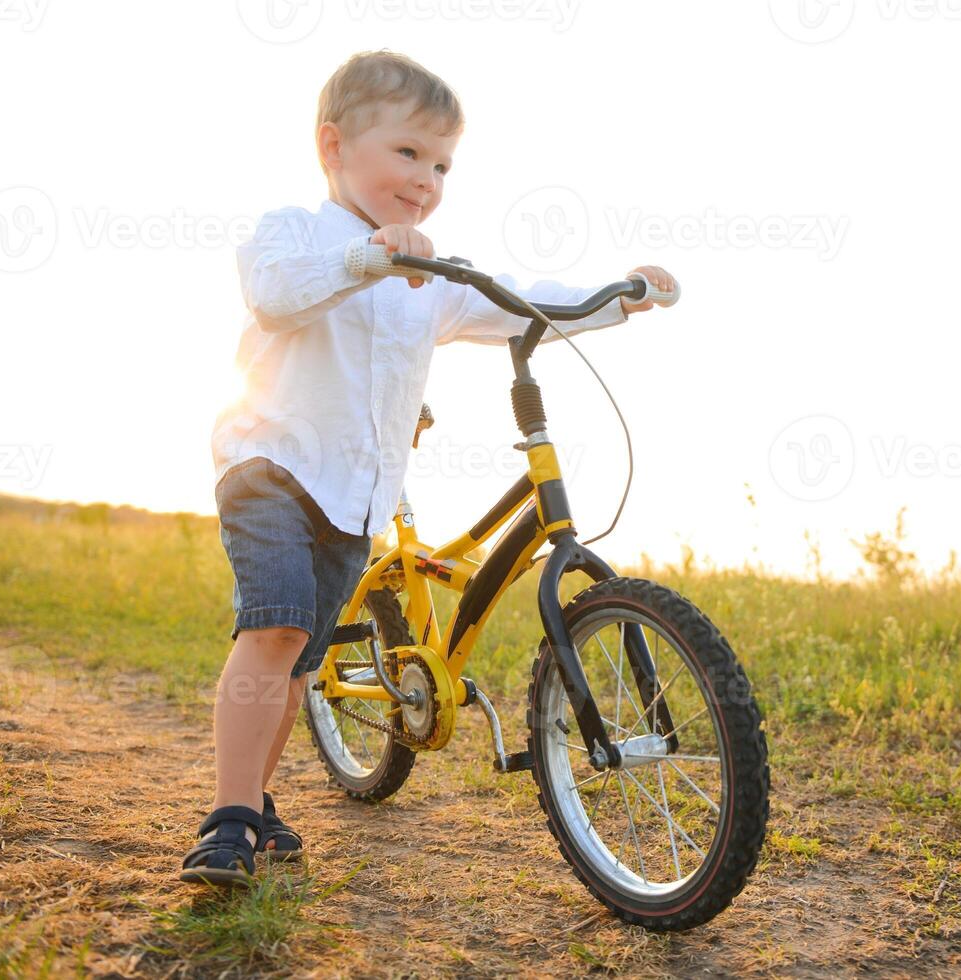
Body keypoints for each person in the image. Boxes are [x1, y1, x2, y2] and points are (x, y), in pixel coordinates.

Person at [179, 49, 675, 886]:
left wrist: (616, 296)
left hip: (354, 494)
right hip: (270, 463)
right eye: (407, 153)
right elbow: (274, 291)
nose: (427, 177)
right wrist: (366, 259)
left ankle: (255, 804)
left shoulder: (428, 277)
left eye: (442, 163)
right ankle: (227, 819)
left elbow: (521, 299)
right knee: (274, 632)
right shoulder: (295, 231)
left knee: (299, 661)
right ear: (334, 147)